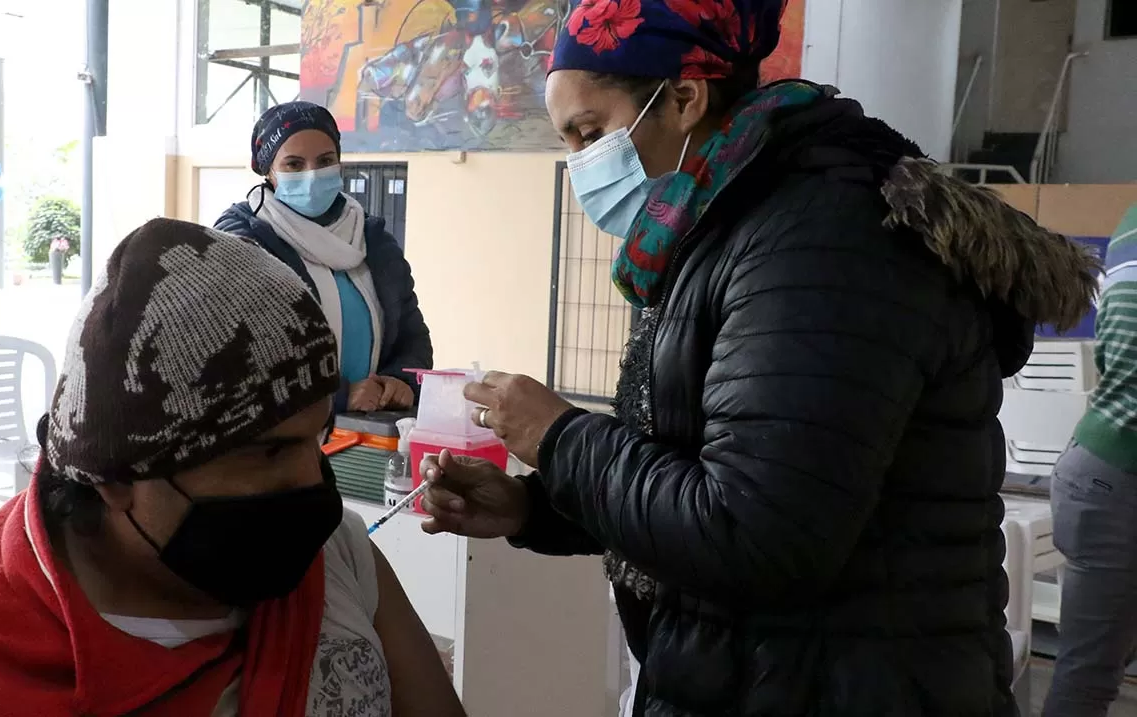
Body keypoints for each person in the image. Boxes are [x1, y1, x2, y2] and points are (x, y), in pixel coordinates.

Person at [418, 0, 1101, 714]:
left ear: (685, 97)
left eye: (590, 133)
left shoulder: (823, 241)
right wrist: (536, 506)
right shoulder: (725, 224)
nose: (580, 165)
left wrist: (562, 437)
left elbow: (756, 533)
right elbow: (705, 468)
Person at [0, 219, 464, 717]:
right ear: (116, 476)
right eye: (268, 452)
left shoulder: (339, 555)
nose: (311, 483)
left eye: (318, 438)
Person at [216, 101, 432, 413]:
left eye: (325, 160)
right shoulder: (241, 244)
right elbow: (237, 363)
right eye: (293, 164)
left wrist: (401, 381)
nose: (312, 175)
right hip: (279, 443)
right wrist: (339, 396)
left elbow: (412, 336)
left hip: (364, 432)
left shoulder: (373, 241)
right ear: (268, 171)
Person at [1043, 204, 1137, 717]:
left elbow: (1111, 357)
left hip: (1098, 467)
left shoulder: (1129, 220)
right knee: (1090, 677)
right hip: (1116, 478)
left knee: (1089, 674)